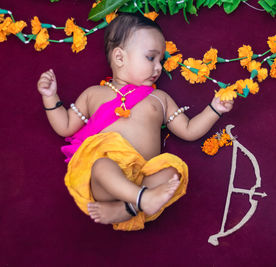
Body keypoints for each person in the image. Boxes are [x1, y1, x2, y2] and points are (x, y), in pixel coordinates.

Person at [37, 13, 234, 231]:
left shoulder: (160, 99)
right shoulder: (94, 94)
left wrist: (215, 109)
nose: (159, 67)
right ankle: (140, 199)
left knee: (174, 171)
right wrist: (50, 97)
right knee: (101, 166)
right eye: (151, 58)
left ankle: (128, 207)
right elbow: (64, 126)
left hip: (144, 176)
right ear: (120, 58)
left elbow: (188, 130)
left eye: (161, 60)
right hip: (108, 182)